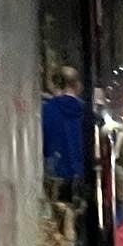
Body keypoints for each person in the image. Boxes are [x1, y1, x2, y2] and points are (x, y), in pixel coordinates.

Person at [41, 65, 89, 197]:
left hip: (54, 180)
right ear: (77, 85)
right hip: (82, 180)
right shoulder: (87, 113)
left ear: (56, 84)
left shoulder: (45, 111)